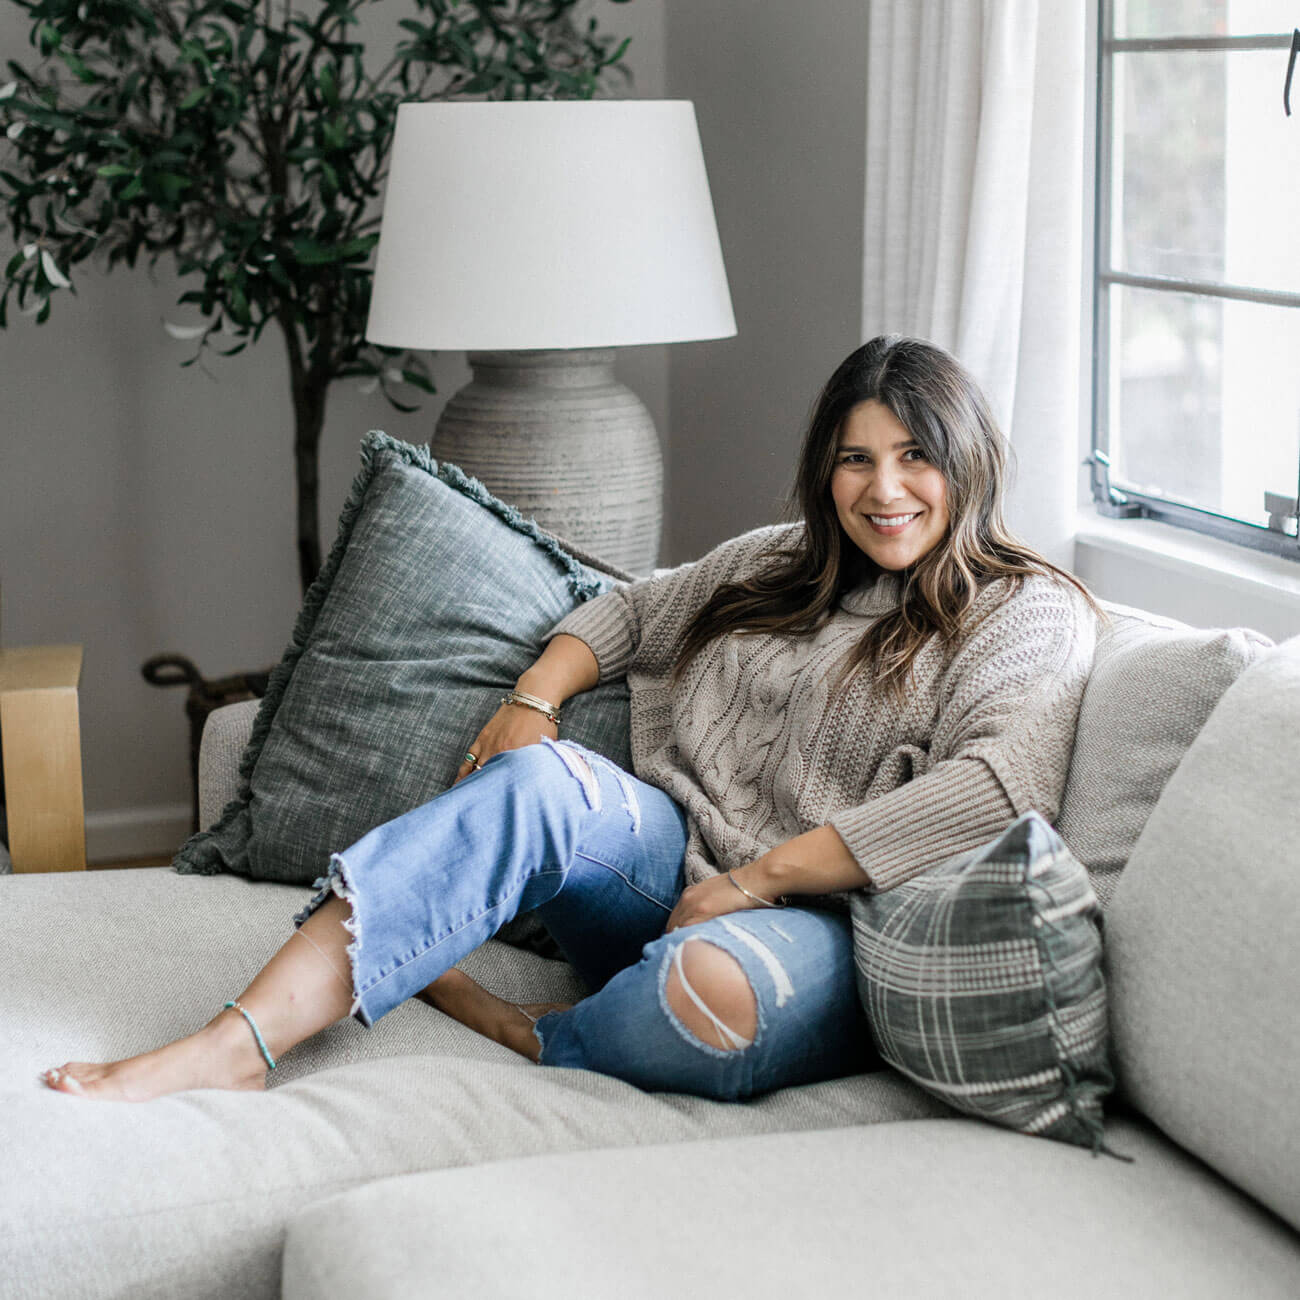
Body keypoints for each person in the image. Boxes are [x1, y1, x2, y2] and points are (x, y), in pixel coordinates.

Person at [41, 334, 1098, 1104]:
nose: (885, 489)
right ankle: (237, 1041)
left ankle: (540, 1032)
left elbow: (997, 791)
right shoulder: (783, 563)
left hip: (820, 926)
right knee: (536, 783)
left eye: (915, 455)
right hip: (665, 866)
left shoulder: (1024, 609)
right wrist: (532, 700)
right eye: (855, 457)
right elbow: (631, 609)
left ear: (967, 461)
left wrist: (756, 880)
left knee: (710, 995)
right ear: (826, 471)